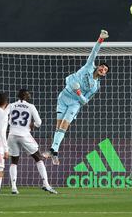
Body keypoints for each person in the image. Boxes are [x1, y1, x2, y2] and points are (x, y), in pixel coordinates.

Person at [44, 30, 110, 165]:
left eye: (105, 70)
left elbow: (85, 101)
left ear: (104, 75)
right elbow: (94, 52)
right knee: (58, 127)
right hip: (63, 97)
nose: (103, 69)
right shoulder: (88, 66)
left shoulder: (95, 87)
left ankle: (53, 150)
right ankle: (54, 152)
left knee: (64, 126)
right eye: (102, 66)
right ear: (98, 66)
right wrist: (100, 39)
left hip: (75, 103)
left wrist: (79, 92)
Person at [8, 89, 57, 194]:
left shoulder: (11, 105)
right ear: (25, 96)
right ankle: (46, 185)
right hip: (24, 134)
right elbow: (39, 122)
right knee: (38, 158)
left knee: (14, 161)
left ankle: (14, 188)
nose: (30, 95)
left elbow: (4, 117)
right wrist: (33, 125)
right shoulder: (31, 106)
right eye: (28, 94)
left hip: (12, 135)